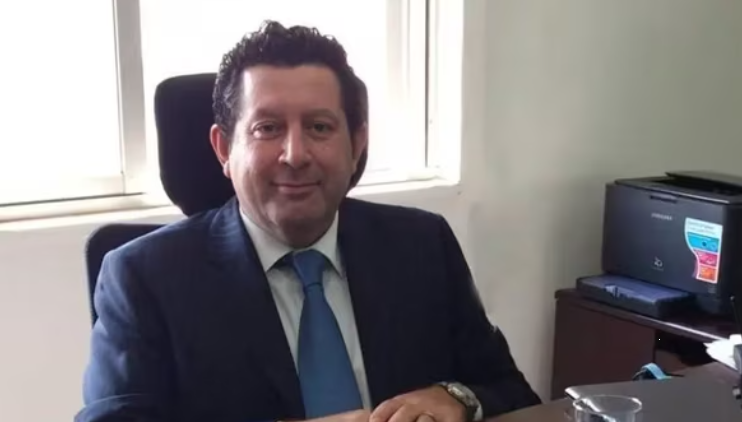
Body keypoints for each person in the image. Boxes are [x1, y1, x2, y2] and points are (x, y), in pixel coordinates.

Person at [78, 20, 540, 422]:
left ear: (357, 145)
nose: (295, 155)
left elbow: (512, 391)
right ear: (224, 149)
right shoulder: (144, 278)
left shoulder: (422, 245)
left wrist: (456, 398)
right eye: (267, 128)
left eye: (320, 127)